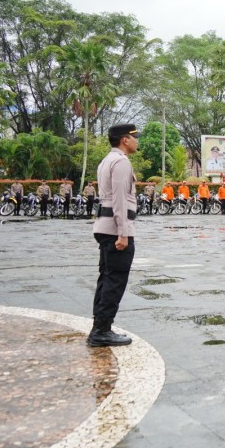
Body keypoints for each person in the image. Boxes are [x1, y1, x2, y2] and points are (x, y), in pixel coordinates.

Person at [88, 123, 139, 347]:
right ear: (125, 140)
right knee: (115, 280)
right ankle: (102, 330)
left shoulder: (107, 160)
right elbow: (119, 199)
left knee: (106, 278)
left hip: (104, 226)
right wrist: (123, 232)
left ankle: (99, 326)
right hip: (115, 229)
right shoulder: (121, 162)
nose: (138, 141)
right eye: (135, 137)